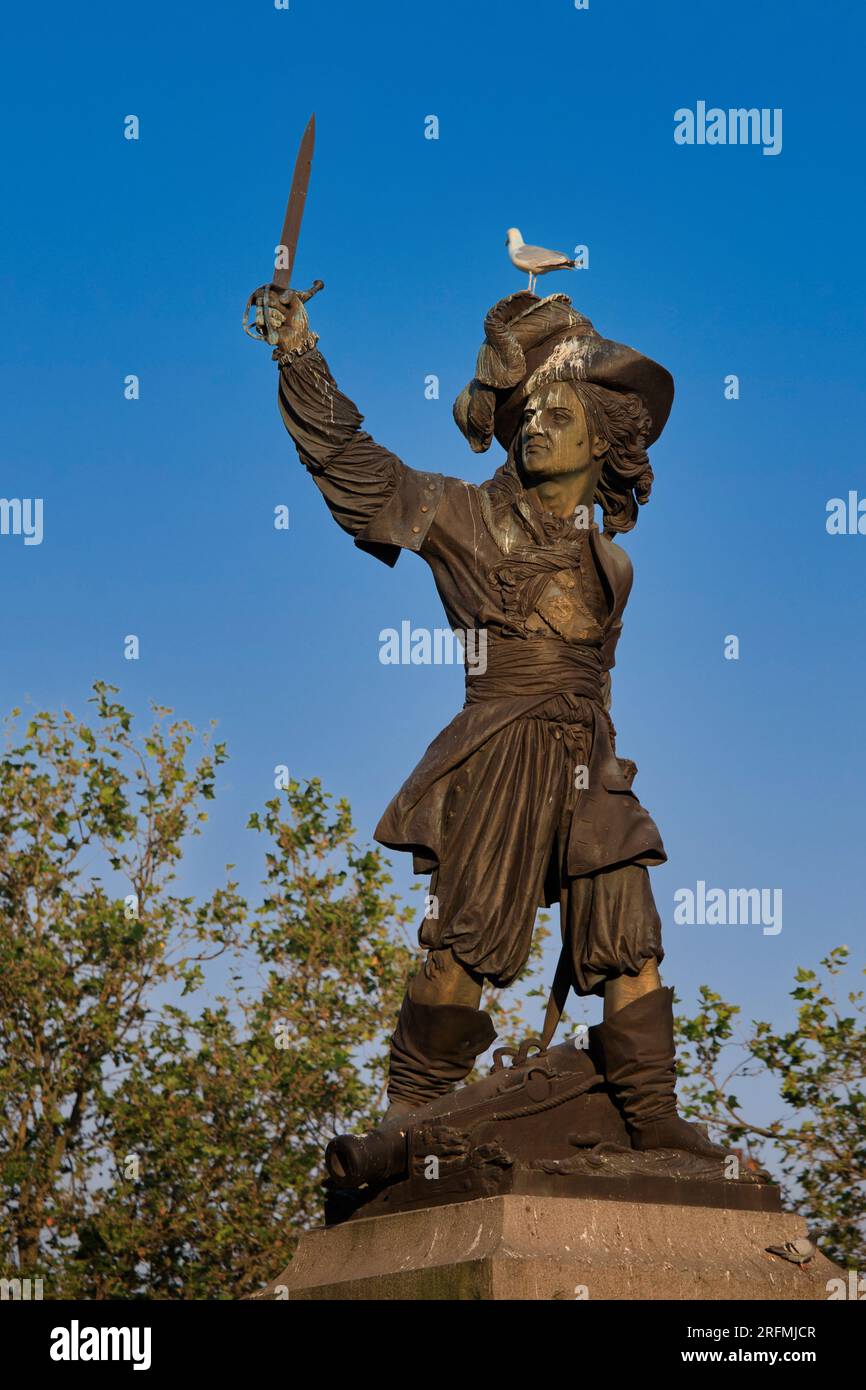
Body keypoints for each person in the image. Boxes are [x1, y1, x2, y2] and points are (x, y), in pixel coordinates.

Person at [257, 281, 724, 1157]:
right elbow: (355, 469)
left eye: (558, 412)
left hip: (590, 755)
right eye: (525, 415)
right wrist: (298, 354)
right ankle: (411, 1112)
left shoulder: (613, 564)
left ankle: (650, 1112)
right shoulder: (462, 515)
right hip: (499, 746)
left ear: (601, 436)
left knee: (630, 940)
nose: (536, 426)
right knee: (464, 947)